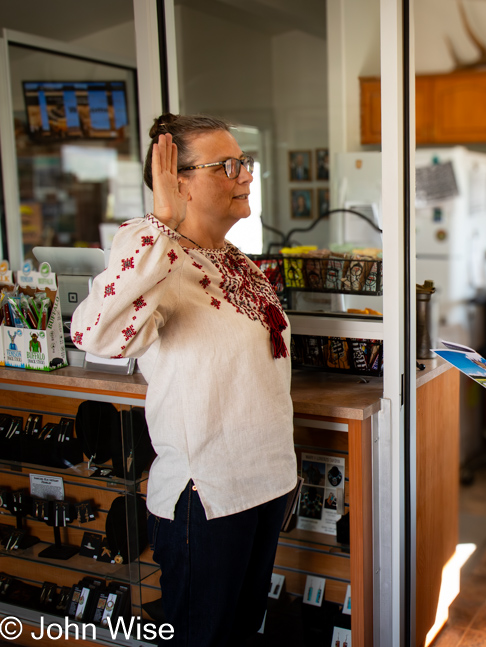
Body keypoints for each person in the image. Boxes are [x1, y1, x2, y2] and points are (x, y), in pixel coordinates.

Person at [70, 113, 297, 646]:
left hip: (264, 483)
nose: (246, 176)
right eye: (229, 165)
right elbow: (96, 337)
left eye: (245, 163)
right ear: (179, 182)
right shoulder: (149, 251)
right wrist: (162, 223)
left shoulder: (233, 258)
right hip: (208, 494)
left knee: (238, 633)